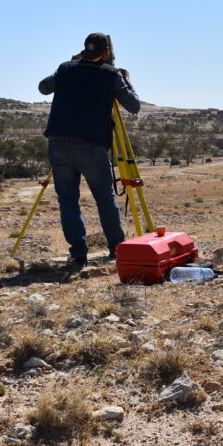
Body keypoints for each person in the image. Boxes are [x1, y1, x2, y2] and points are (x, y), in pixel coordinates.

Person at [38, 33, 141, 270]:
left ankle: (77, 254)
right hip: (91, 144)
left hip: (58, 141)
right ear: (105, 53)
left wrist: (71, 64)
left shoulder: (65, 69)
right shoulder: (111, 74)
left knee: (67, 200)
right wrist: (127, 79)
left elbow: (44, 88)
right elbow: (133, 106)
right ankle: (116, 248)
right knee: (105, 198)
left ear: (83, 50)